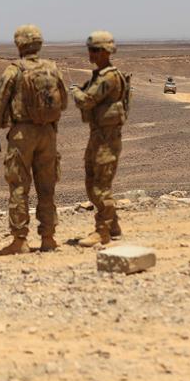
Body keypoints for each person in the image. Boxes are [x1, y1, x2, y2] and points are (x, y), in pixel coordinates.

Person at [0, 24, 67, 254]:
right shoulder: (52, 69)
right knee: (47, 187)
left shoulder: (14, 70)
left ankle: (20, 240)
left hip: (22, 135)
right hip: (48, 134)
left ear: (19, 44)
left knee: (19, 186)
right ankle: (49, 238)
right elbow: (64, 101)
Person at [71, 31, 129, 247]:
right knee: (91, 181)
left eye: (95, 50)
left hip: (107, 138)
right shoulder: (100, 74)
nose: (91, 53)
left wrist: (75, 92)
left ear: (106, 52)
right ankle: (113, 224)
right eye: (90, 49)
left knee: (100, 185)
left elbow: (87, 101)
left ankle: (102, 231)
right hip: (98, 135)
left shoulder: (109, 77)